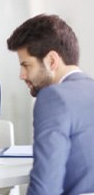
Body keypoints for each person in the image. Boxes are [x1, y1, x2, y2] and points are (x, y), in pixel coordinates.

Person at [7, 14, 94, 195]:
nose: (21, 75)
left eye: (26, 65)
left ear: (52, 61)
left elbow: (45, 188)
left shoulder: (53, 97)